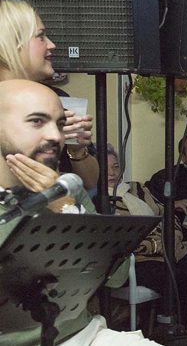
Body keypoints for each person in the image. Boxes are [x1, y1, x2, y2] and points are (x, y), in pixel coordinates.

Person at [0, 80, 156, 346]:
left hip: (82, 335)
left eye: (60, 124)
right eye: (37, 121)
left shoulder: (66, 187)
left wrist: (63, 206)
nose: (55, 136)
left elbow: (117, 275)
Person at [107, 144, 187, 326]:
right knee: (181, 279)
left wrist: (172, 239)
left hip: (173, 251)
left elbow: (168, 215)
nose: (112, 173)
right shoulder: (99, 200)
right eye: (106, 167)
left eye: (116, 166)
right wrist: (156, 245)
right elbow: (119, 241)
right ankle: (183, 333)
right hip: (138, 261)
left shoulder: (136, 189)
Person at [0, 0, 98, 192]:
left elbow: (91, 183)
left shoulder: (59, 100)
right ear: (12, 42)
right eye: (41, 36)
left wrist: (76, 149)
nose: (52, 45)